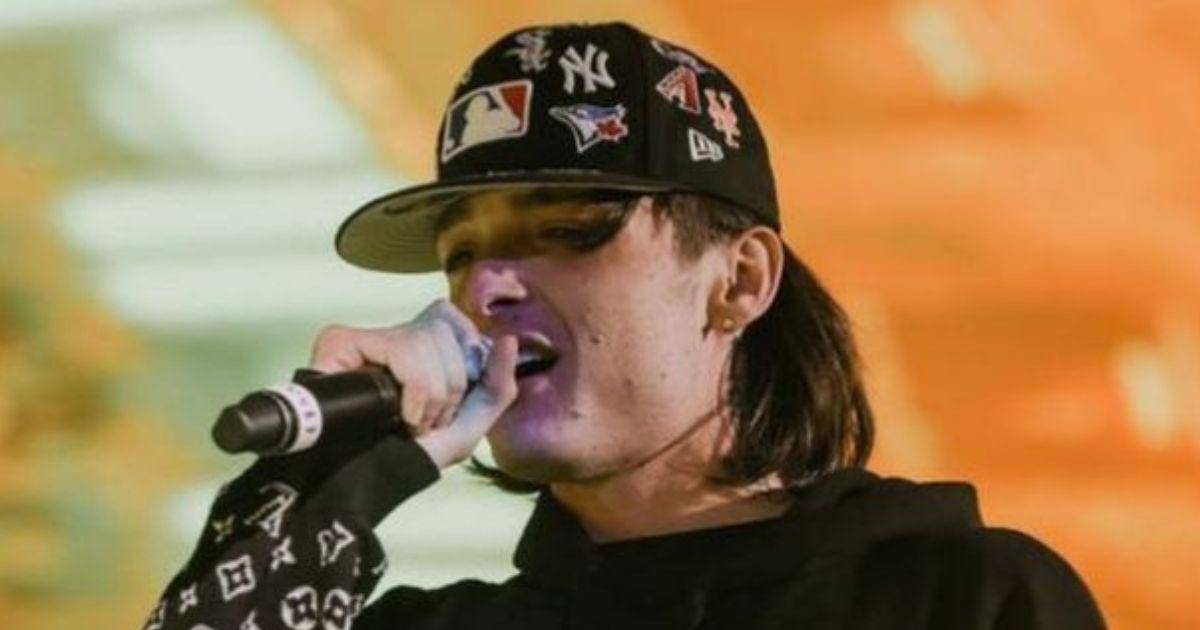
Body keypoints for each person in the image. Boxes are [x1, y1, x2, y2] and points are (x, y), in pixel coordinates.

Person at [144, 21, 1106, 630]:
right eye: (462, 254)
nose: (489, 287)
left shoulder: (960, 600)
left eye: (568, 231)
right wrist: (324, 488)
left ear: (739, 281)